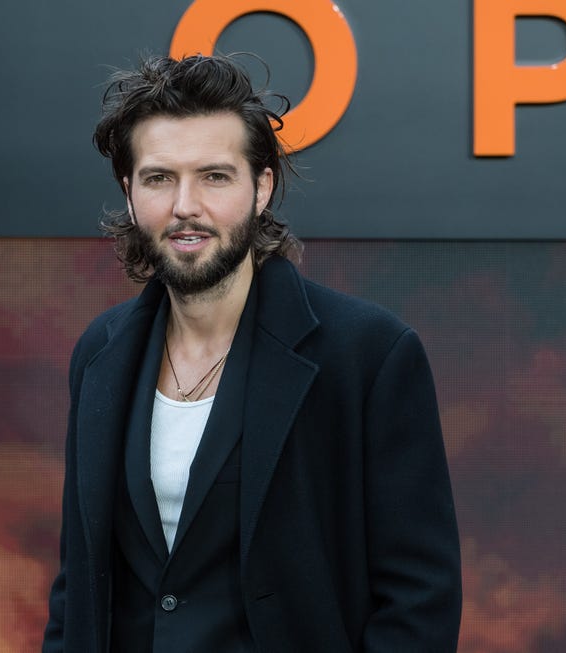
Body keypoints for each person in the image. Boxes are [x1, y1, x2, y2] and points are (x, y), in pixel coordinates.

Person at [43, 53, 461, 652]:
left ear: (261, 187)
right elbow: (77, 588)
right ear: (129, 193)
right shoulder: (99, 355)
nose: (186, 205)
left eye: (215, 176)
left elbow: (419, 601)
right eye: (160, 178)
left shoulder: (368, 355)